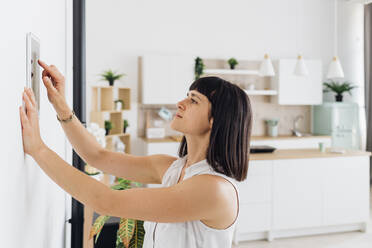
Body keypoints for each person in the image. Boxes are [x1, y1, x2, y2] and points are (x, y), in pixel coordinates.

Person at [19, 60, 253, 248]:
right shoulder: (174, 169)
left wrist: (38, 149)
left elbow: (106, 201)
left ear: (215, 120)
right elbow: (97, 156)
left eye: (193, 100)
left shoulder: (213, 189)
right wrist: (61, 105)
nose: (180, 103)